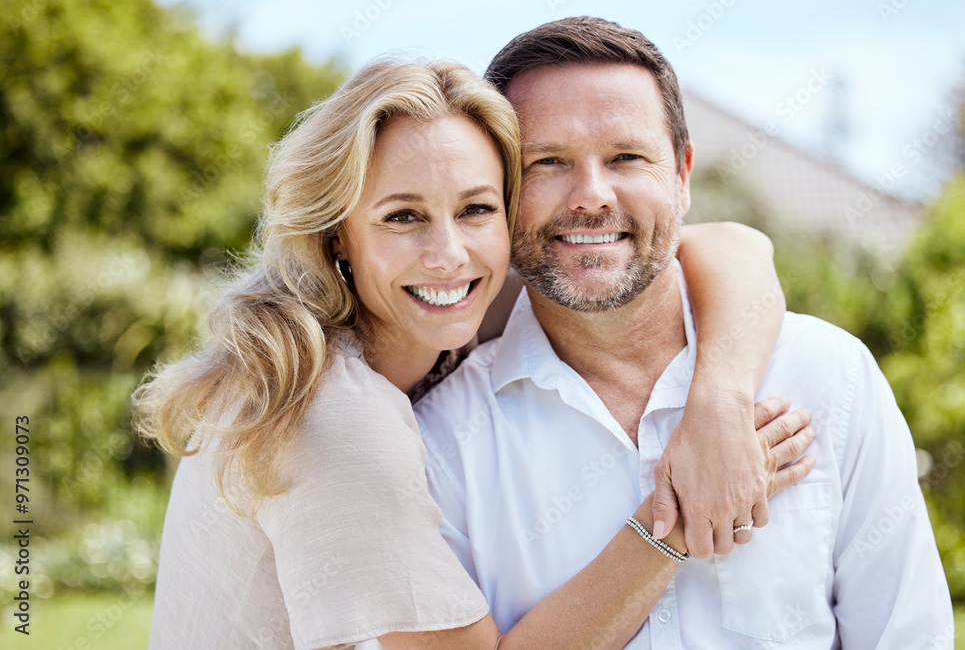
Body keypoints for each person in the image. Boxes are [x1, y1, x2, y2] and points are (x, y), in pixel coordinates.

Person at [134, 58, 812, 649]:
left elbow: (729, 245)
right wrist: (676, 516)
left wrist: (717, 405)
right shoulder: (334, 418)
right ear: (338, 234)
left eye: (477, 209)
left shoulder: (430, 313)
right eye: (403, 216)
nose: (448, 254)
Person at [415, 17, 954, 648]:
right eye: (548, 162)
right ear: (502, 190)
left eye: (627, 158)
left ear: (682, 176)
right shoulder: (439, 441)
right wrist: (669, 528)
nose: (591, 196)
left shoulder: (830, 375)